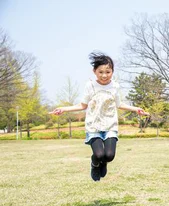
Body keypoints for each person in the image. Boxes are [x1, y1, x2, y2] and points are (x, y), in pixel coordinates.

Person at [50, 52, 149, 181]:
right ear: (94, 71)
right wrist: (64, 109)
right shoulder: (90, 86)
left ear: (112, 71)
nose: (104, 75)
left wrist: (136, 109)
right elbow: (82, 105)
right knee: (99, 154)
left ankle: (103, 162)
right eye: (100, 72)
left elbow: (119, 104)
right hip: (93, 126)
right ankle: (95, 163)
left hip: (110, 126)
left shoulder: (115, 86)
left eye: (108, 72)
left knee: (109, 155)